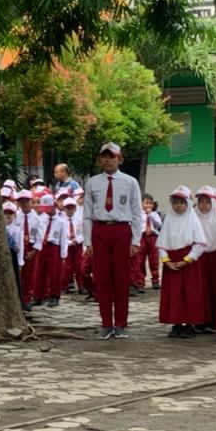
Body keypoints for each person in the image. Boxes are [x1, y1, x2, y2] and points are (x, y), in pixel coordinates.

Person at [83, 142, 143, 339]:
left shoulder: (130, 182)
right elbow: (87, 214)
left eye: (112, 156)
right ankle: (106, 323)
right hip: (100, 230)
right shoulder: (92, 182)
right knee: (102, 278)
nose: (107, 160)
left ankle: (121, 323)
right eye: (104, 156)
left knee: (121, 278)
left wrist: (135, 240)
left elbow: (136, 212)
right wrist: (88, 241)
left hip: (121, 230)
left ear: (120, 159)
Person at [157, 186, 208, 338]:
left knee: (190, 292)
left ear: (187, 204)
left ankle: (190, 323)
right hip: (171, 262)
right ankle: (176, 322)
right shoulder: (168, 221)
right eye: (175, 203)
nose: (178, 206)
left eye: (181, 202)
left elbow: (199, 244)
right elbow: (161, 243)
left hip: (188, 263)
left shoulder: (193, 221)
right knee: (174, 294)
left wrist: (187, 259)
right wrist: (166, 260)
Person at [193, 187, 216, 332]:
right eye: (201, 202)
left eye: (207, 202)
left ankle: (214, 320)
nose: (204, 205)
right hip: (199, 257)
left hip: (215, 256)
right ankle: (200, 320)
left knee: (215, 288)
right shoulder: (193, 218)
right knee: (200, 289)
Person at [131, 194, 161, 292]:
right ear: (141, 204)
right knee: (140, 259)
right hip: (142, 236)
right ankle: (140, 282)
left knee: (154, 259)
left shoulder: (155, 214)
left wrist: (151, 214)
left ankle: (155, 280)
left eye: (150, 203)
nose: (148, 206)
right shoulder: (138, 214)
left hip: (153, 237)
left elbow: (159, 224)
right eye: (146, 203)